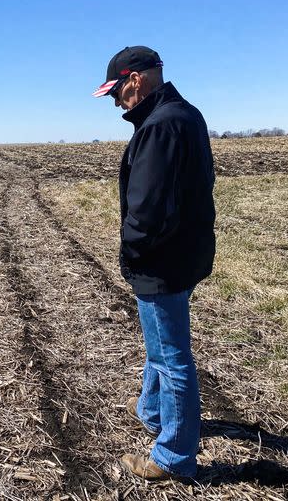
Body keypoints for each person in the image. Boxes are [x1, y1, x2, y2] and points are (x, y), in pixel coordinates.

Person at [92, 46, 216, 480]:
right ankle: (150, 408)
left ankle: (173, 456)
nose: (116, 103)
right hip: (183, 251)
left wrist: (133, 253)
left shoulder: (161, 127)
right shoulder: (184, 115)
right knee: (161, 346)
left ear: (136, 80)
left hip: (163, 261)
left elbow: (148, 209)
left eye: (117, 93)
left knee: (171, 358)